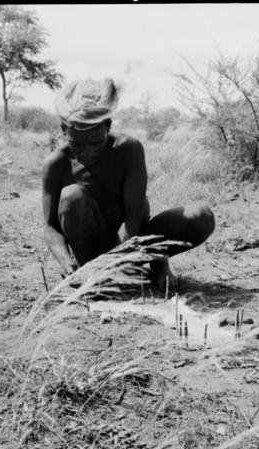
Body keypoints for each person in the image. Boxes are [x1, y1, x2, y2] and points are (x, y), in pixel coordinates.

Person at [42, 78, 215, 290]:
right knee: (72, 197)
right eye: (77, 144)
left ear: (107, 126)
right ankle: (94, 275)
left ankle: (150, 263)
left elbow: (133, 218)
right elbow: (51, 228)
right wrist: (67, 264)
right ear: (63, 130)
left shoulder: (128, 150)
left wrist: (114, 262)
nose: (87, 152)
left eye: (95, 143)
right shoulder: (56, 164)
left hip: (131, 243)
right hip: (90, 252)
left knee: (200, 216)